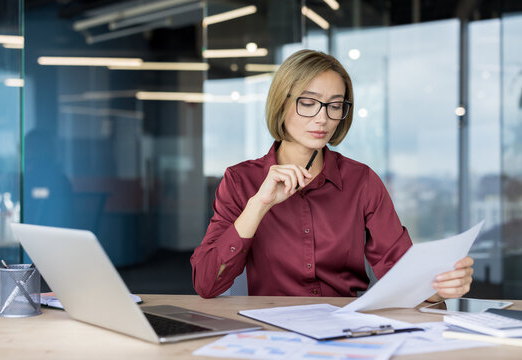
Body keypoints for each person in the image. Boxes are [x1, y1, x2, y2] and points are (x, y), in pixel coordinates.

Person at [190, 49, 473, 301]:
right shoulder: (241, 181)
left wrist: (441, 286)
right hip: (271, 334)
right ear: (282, 103)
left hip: (344, 333)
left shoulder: (361, 181)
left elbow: (402, 272)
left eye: (335, 106)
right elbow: (206, 283)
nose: (322, 118)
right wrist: (258, 205)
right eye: (308, 102)